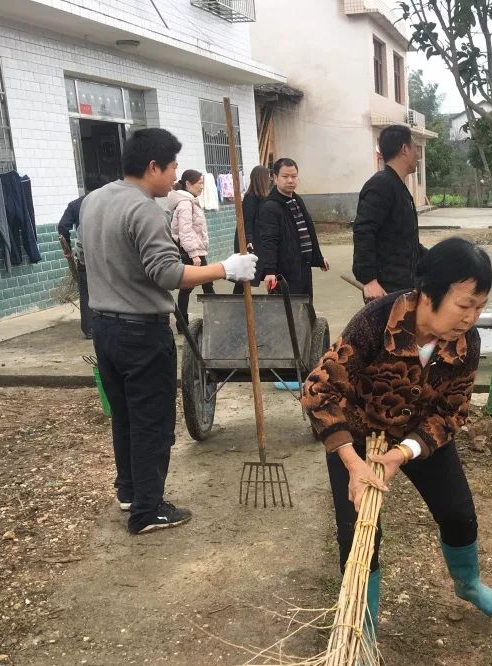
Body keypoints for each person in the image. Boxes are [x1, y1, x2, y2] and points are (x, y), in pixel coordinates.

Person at [301, 238, 492, 646]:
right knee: (359, 531)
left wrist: (404, 452)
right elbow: (319, 390)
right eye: (464, 304)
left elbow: (452, 412)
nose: (471, 317)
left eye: (480, 306)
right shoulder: (376, 322)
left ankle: (468, 583)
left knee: (458, 513)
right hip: (359, 437)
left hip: (418, 437)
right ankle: (360, 628)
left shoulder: (466, 344)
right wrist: (353, 462)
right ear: (428, 294)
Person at [80, 128, 256, 534]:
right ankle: (147, 509)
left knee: (124, 416)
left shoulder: (95, 200)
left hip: (105, 329)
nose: (176, 177)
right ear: (153, 166)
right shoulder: (143, 209)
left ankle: (129, 490)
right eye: (173, 166)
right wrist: (225, 268)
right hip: (141, 333)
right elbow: (167, 273)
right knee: (152, 422)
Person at [352, 124, 427, 301]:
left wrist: (440, 259)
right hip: (386, 289)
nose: (417, 155)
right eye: (414, 147)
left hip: (404, 285)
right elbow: (363, 231)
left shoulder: (398, 187)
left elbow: (405, 241)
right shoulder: (381, 185)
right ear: (404, 149)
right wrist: (370, 280)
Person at [255, 158, 328, 297]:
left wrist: (318, 258)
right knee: (287, 313)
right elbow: (269, 241)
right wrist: (270, 272)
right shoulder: (270, 207)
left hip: (303, 267)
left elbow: (306, 231)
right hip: (284, 272)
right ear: (275, 178)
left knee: (305, 309)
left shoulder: (296, 199)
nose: (290, 180)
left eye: (294, 176)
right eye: (285, 176)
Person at [167, 170, 212, 332]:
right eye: (199, 183)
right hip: (192, 251)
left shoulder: (191, 201)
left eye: (202, 183)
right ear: (188, 183)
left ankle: (183, 323)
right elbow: (185, 232)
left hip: (196, 250)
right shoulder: (185, 203)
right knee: (192, 286)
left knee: (202, 285)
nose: (202, 186)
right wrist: (194, 254)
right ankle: (184, 323)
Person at [232, 164, 272, 294]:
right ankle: (235, 303)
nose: (270, 179)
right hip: (252, 241)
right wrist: (248, 240)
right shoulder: (250, 198)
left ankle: (275, 300)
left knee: (270, 272)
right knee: (245, 275)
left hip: (262, 240)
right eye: (268, 177)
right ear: (262, 179)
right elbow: (246, 221)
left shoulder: (266, 197)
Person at [58, 194, 91, 338]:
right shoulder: (109, 200)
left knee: (86, 292)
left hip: (85, 254)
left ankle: (89, 329)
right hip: (107, 254)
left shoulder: (75, 204)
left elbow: (62, 226)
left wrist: (68, 249)